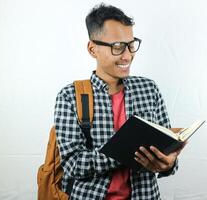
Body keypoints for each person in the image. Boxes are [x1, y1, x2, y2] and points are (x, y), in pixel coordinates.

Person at [55, 3, 185, 200]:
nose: (128, 55)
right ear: (92, 49)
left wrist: (168, 164)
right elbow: (72, 164)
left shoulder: (149, 89)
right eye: (117, 47)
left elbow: (167, 153)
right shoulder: (70, 96)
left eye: (131, 45)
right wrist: (125, 153)